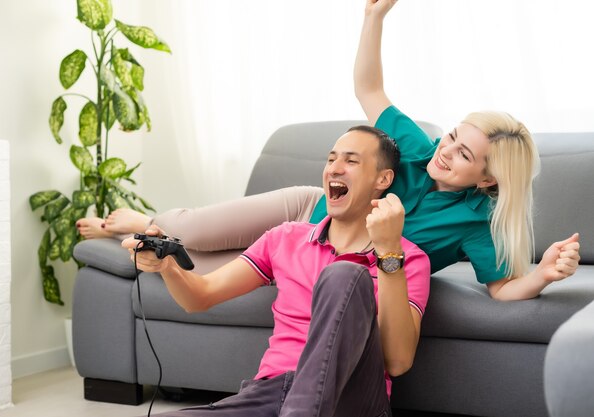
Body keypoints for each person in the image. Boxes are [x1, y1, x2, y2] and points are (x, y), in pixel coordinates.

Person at [78, 0, 580, 301]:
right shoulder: (415, 145)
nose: (445, 151)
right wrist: (374, 17)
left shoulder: (476, 221)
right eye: (453, 136)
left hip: (315, 251)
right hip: (305, 209)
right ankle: (141, 218)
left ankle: (145, 228)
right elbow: (369, 89)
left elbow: (499, 289)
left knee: (191, 264)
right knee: (188, 228)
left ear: (488, 179)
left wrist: (541, 275)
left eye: (464, 155)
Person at [123, 125, 431, 417]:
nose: (334, 168)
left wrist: (389, 252)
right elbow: (199, 297)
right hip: (271, 393)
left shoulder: (408, 259)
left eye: (351, 161)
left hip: (352, 398)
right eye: (331, 159)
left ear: (383, 179)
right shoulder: (285, 238)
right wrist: (167, 267)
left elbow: (398, 360)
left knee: (344, 275)